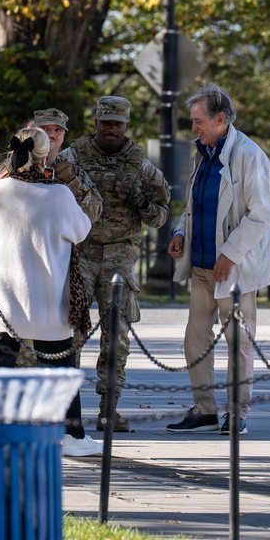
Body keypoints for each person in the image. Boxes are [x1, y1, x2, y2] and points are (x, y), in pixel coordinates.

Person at [0, 127, 100, 456]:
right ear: (45, 156)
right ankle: (71, 435)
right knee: (61, 366)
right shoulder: (59, 194)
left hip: (5, 300)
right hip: (47, 300)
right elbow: (82, 229)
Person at [56, 96, 171, 432]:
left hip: (120, 256)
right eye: (105, 123)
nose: (110, 130)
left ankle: (109, 410)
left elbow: (161, 216)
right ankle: (67, 409)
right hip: (82, 252)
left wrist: (141, 202)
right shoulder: (73, 156)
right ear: (96, 124)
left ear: (126, 126)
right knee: (71, 333)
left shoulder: (141, 165)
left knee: (117, 336)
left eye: (117, 124)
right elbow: (46, 186)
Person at [166, 84, 270, 435]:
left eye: (198, 121)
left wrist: (230, 254)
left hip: (235, 270)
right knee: (195, 340)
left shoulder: (250, 155)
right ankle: (205, 409)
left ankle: (237, 413)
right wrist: (182, 232)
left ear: (221, 119)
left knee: (238, 343)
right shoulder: (204, 153)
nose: (193, 127)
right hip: (201, 267)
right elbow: (195, 205)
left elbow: (260, 216)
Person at [0, 108, 103, 224]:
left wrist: (72, 182)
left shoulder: (72, 172)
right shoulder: (8, 168)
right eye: (44, 129)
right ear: (34, 131)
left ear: (64, 135)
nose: (51, 135)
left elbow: (93, 214)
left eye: (58, 130)